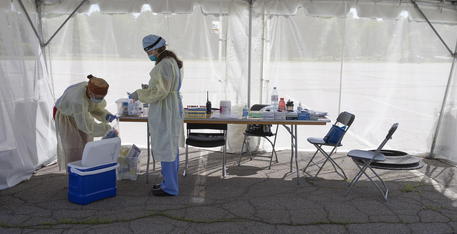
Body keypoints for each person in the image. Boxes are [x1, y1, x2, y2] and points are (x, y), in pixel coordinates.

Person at [129, 34, 184, 196]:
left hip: (165, 109)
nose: (148, 55)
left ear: (155, 48)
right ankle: (168, 182)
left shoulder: (163, 65)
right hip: (172, 107)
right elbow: (164, 87)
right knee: (171, 148)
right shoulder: (172, 61)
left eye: (148, 52)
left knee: (166, 148)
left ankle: (170, 188)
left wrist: (139, 93)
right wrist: (150, 88)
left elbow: (159, 92)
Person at [54, 74, 118, 170]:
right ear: (90, 92)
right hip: (66, 116)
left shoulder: (92, 91)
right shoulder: (78, 101)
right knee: (74, 148)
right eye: (98, 97)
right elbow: (86, 126)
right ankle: (75, 173)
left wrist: (105, 115)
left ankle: (86, 169)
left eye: (102, 97)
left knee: (87, 144)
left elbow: (94, 107)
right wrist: (106, 129)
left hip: (79, 113)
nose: (99, 100)